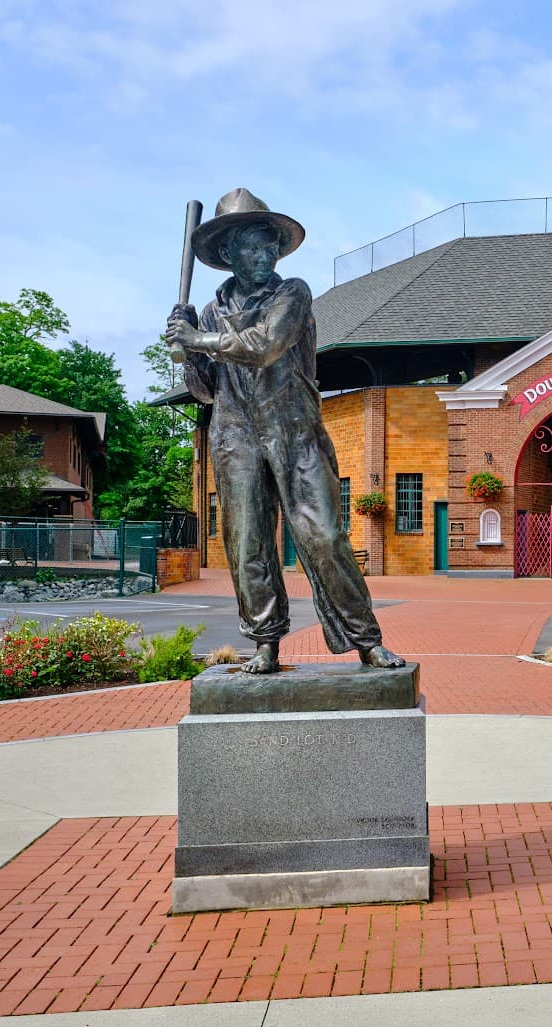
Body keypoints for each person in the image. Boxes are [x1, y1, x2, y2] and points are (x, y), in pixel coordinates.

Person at [166, 189, 404, 674]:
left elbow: (267, 344)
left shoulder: (291, 292)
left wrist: (202, 340)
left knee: (324, 536)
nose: (264, 256)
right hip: (236, 435)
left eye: (270, 247)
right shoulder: (211, 313)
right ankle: (265, 642)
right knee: (247, 540)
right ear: (229, 253)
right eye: (253, 247)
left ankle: (366, 640)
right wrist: (188, 347)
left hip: (295, 431)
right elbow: (207, 390)